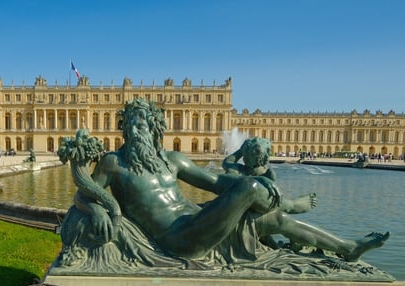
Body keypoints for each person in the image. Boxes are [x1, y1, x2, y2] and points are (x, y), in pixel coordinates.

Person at [75, 98, 388, 263]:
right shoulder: (114, 163)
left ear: (156, 128)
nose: (136, 129)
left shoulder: (172, 160)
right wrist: (99, 210)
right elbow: (83, 194)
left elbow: (216, 183)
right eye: (131, 124)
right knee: (252, 189)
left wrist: (259, 181)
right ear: (124, 129)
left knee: (271, 215)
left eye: (143, 123)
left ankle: (347, 247)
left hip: (199, 220)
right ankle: (292, 204)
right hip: (178, 238)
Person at [222, 137, 317, 214]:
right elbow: (228, 175)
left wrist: (241, 150)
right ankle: (291, 205)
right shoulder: (263, 172)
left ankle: (291, 205)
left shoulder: (240, 169)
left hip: (248, 208)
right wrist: (260, 179)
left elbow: (227, 163)